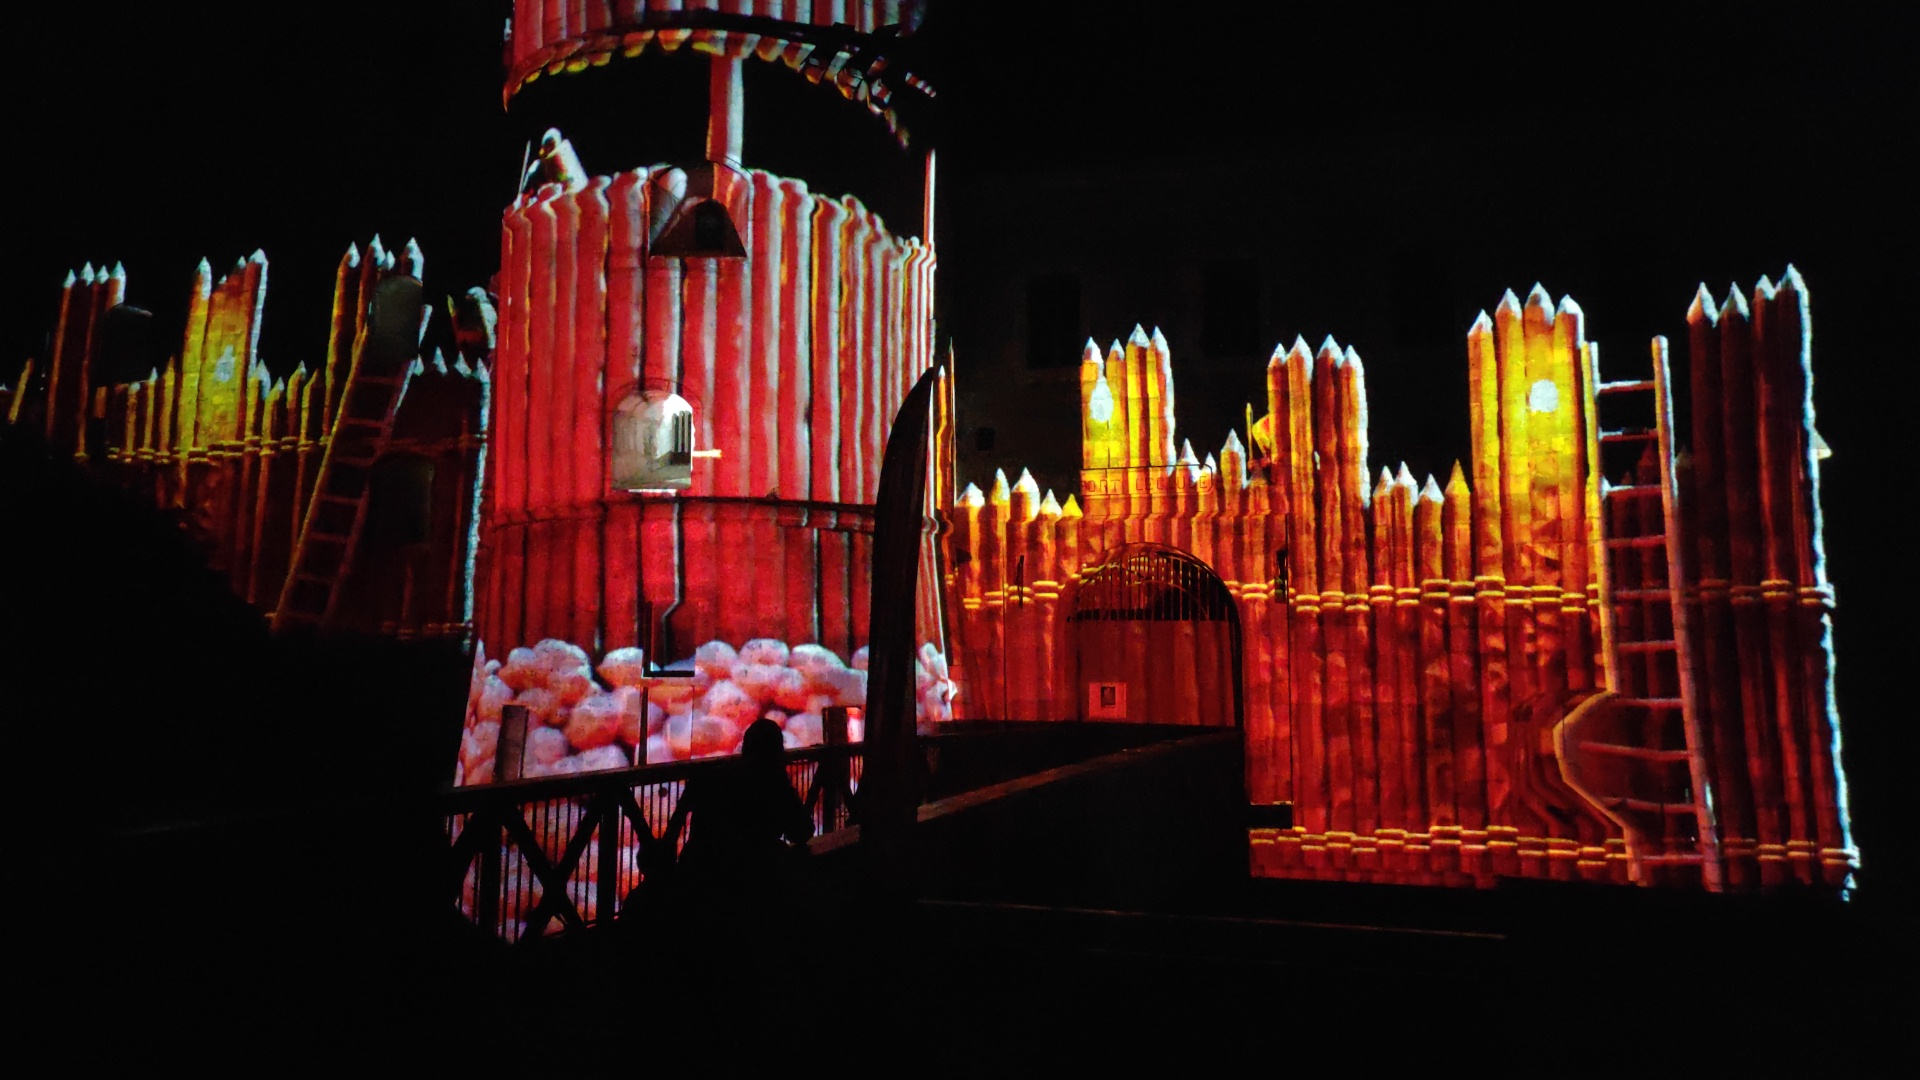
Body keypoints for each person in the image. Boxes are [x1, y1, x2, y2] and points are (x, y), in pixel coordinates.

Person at [667, 718, 815, 891]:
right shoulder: (774, 783)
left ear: (744, 747)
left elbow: (677, 819)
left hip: (699, 873)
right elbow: (801, 831)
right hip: (750, 877)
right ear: (777, 752)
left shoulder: (710, 776)